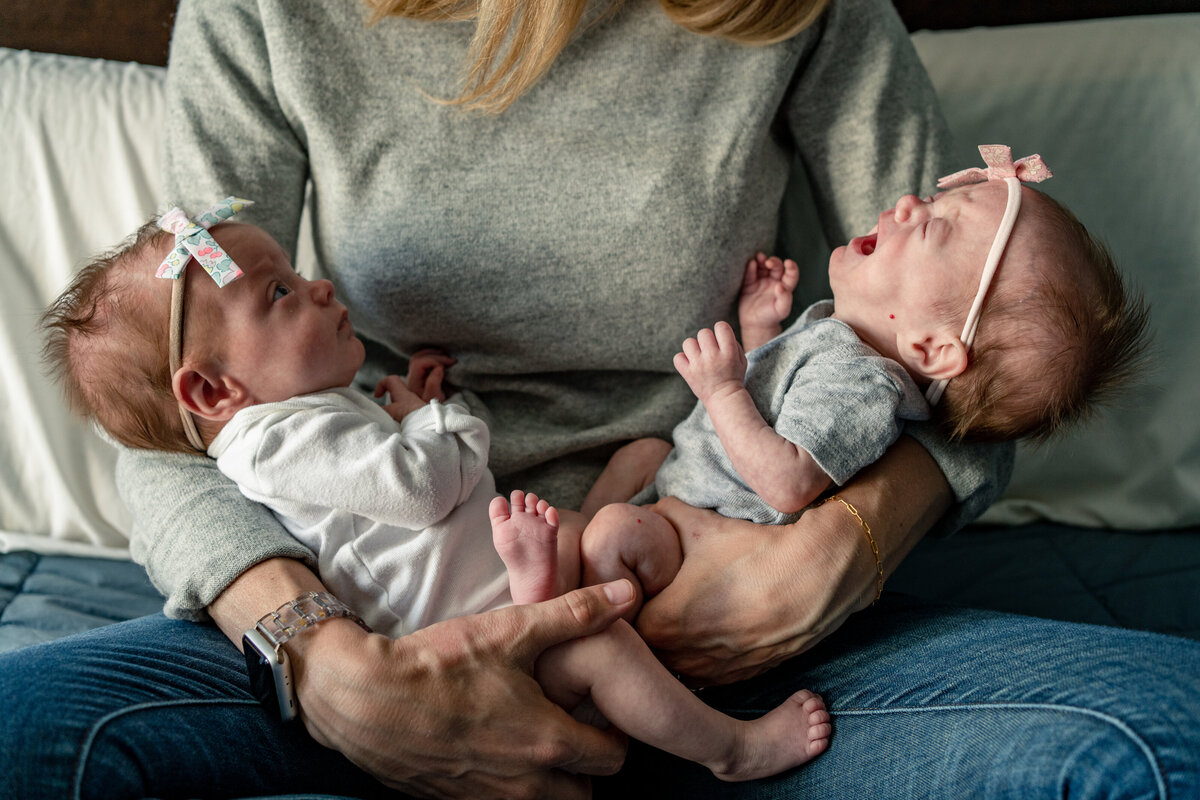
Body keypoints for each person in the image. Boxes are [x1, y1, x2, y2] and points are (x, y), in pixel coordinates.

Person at [1, 0, 1197, 797]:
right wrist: (320, 656)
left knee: (1154, 738)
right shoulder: (271, 12)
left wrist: (841, 545)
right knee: (26, 730)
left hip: (720, 607)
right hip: (392, 613)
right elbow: (180, 411)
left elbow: (975, 363)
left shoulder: (790, 12)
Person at [39, 205, 831, 781]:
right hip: (472, 649)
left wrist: (407, 412)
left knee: (640, 457)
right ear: (213, 390)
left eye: (295, 273)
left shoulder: (300, 411)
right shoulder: (276, 442)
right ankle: (733, 751)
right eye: (278, 293)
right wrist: (442, 418)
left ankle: (566, 561)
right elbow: (423, 487)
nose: (316, 286)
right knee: (601, 645)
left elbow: (392, 475)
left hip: (485, 571)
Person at [581, 150, 1150, 569]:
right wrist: (763, 327)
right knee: (640, 455)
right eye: (933, 198)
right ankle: (560, 562)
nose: (907, 203)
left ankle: (566, 602)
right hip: (686, 488)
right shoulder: (840, 340)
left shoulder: (865, 387)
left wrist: (723, 392)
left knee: (610, 534)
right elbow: (780, 400)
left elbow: (785, 482)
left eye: (929, 226)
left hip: (704, 541)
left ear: (931, 348)